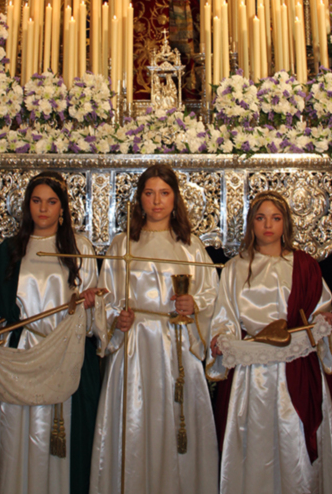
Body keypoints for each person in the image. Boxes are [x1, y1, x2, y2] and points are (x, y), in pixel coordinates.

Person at [0, 171, 101, 494]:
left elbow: (93, 318)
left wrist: (90, 306)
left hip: (62, 359)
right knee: (16, 440)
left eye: (51, 202)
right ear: (27, 206)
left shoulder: (79, 249)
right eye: (36, 201)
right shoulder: (10, 251)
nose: (43, 209)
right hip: (19, 362)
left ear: (62, 208)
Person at [90, 164, 219, 494]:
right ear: (139, 199)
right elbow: (106, 297)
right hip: (133, 349)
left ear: (175, 199)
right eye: (149, 193)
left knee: (173, 428)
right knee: (134, 426)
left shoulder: (190, 247)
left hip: (177, 348)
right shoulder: (123, 245)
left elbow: (213, 295)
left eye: (164, 193)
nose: (156, 201)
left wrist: (195, 306)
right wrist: (116, 320)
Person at [208, 191, 332, 494]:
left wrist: (325, 320)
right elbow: (224, 316)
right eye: (260, 218)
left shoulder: (305, 265)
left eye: (275, 217)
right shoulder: (235, 268)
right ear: (250, 224)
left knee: (293, 440)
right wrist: (220, 339)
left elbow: (318, 309)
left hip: (295, 367)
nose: (267, 225)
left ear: (286, 223)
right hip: (252, 375)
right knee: (255, 442)